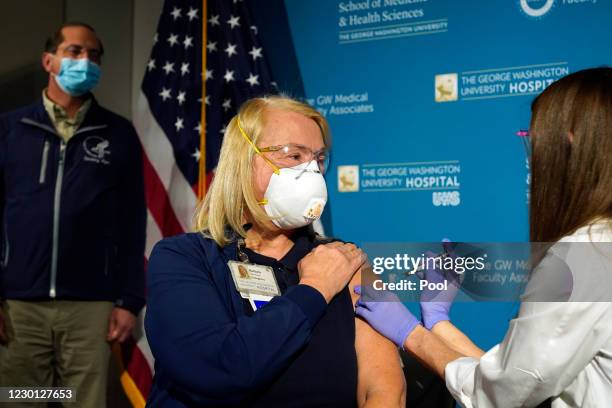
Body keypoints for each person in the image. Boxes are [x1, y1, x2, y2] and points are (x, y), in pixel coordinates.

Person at [354, 67, 612, 407]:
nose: (534, 163)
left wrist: (411, 333)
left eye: (535, 144)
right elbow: (515, 377)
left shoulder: (585, 256)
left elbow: (504, 394)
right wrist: (439, 323)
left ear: (570, 141)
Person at [144, 96, 406, 407]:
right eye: (294, 155)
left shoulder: (346, 261)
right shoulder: (183, 259)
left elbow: (383, 391)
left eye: (319, 160)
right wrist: (315, 288)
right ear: (243, 162)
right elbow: (218, 369)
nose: (311, 172)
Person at [0, 22, 146, 407]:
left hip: (91, 306)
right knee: (21, 399)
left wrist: (129, 301)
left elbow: (132, 224)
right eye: (75, 52)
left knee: (83, 401)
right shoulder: (10, 129)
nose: (86, 61)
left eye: (94, 55)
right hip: (19, 306)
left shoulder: (118, 134)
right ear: (49, 61)